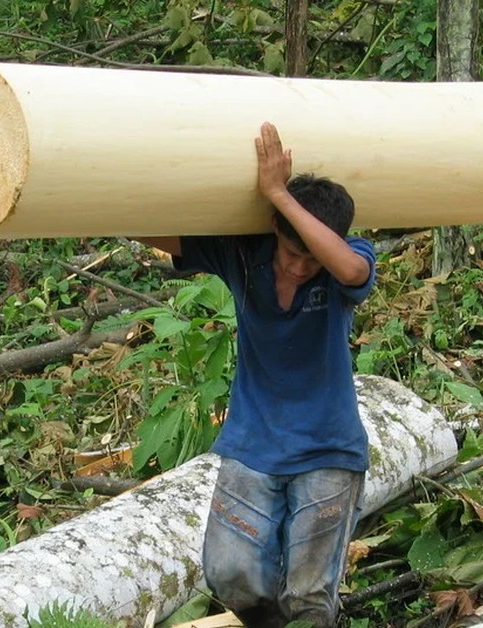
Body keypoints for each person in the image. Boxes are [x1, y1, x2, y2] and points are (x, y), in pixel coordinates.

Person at [139, 122, 376, 627]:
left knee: (309, 595)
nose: (298, 269)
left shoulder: (344, 264)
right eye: (292, 255)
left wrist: (277, 193)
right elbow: (143, 225)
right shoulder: (243, 255)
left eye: (312, 260)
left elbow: (352, 273)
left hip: (328, 447)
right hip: (253, 442)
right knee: (231, 574)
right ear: (273, 229)